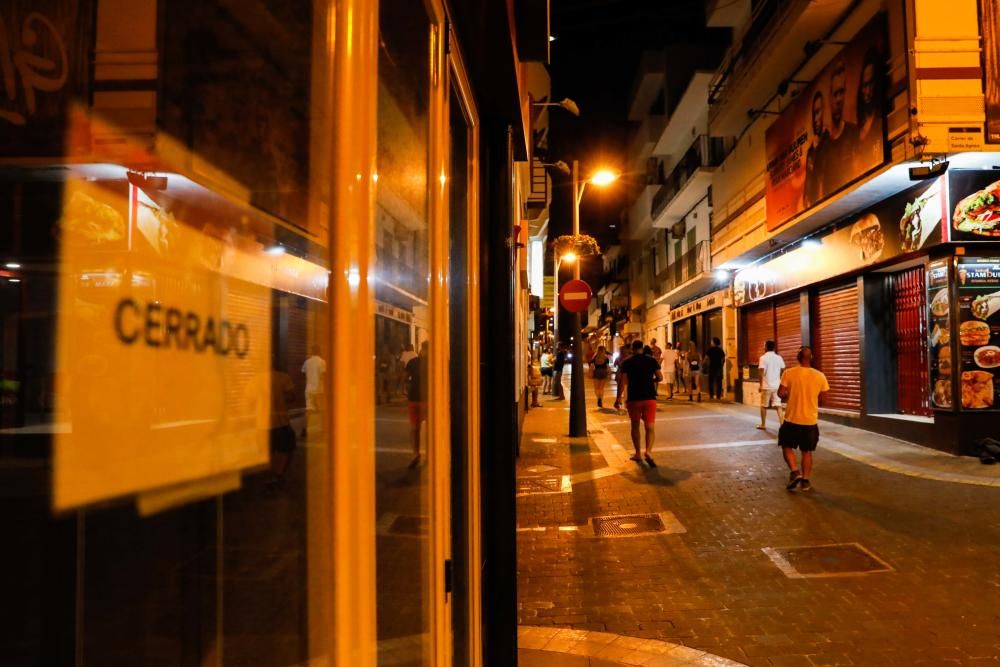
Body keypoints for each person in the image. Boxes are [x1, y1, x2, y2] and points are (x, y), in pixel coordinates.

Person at [777, 346, 829, 491]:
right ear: (811, 358)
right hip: (810, 421)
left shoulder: (789, 373)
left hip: (792, 419)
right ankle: (805, 481)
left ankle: (795, 471)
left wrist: (791, 395)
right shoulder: (820, 376)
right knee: (807, 451)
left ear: (798, 358)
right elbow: (824, 398)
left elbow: (781, 393)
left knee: (786, 446)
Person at [614, 339, 663, 467]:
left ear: (632, 349)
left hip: (634, 399)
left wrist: (618, 398)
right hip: (649, 398)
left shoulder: (627, 362)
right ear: (642, 347)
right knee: (650, 427)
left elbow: (623, 381)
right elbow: (660, 377)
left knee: (635, 426)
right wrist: (651, 379)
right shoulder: (651, 360)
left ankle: (637, 453)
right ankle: (648, 451)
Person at [822, 60, 859, 192]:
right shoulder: (823, 146)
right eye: (835, 94)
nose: (838, 99)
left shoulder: (854, 133)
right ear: (829, 97)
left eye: (841, 92)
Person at [405, 341, 430, 469]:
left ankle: (416, 454)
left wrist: (406, 389)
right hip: (428, 399)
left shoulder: (413, 362)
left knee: (415, 429)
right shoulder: (435, 363)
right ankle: (430, 453)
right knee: (430, 429)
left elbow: (405, 377)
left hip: (414, 398)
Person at [803, 90, 829, 208]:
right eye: (814, 114)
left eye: (818, 112)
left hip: (827, 204)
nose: (816, 119)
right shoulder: (810, 152)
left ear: (825, 112)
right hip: (813, 208)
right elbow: (807, 185)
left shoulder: (829, 143)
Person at [757, 340, 786, 430]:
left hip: (767, 386)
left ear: (766, 347)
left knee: (763, 405)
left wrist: (761, 385)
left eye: (764, 345)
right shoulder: (779, 357)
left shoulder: (763, 358)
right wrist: (780, 379)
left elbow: (761, 372)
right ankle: (782, 425)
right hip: (777, 385)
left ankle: (763, 424)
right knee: (778, 405)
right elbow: (783, 369)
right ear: (774, 347)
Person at [301, 345, 326, 437]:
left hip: (308, 389)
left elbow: (303, 373)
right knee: (322, 410)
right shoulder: (322, 362)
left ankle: (304, 429)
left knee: (308, 410)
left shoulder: (307, 362)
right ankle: (324, 429)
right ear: (319, 351)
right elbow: (323, 376)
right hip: (319, 389)